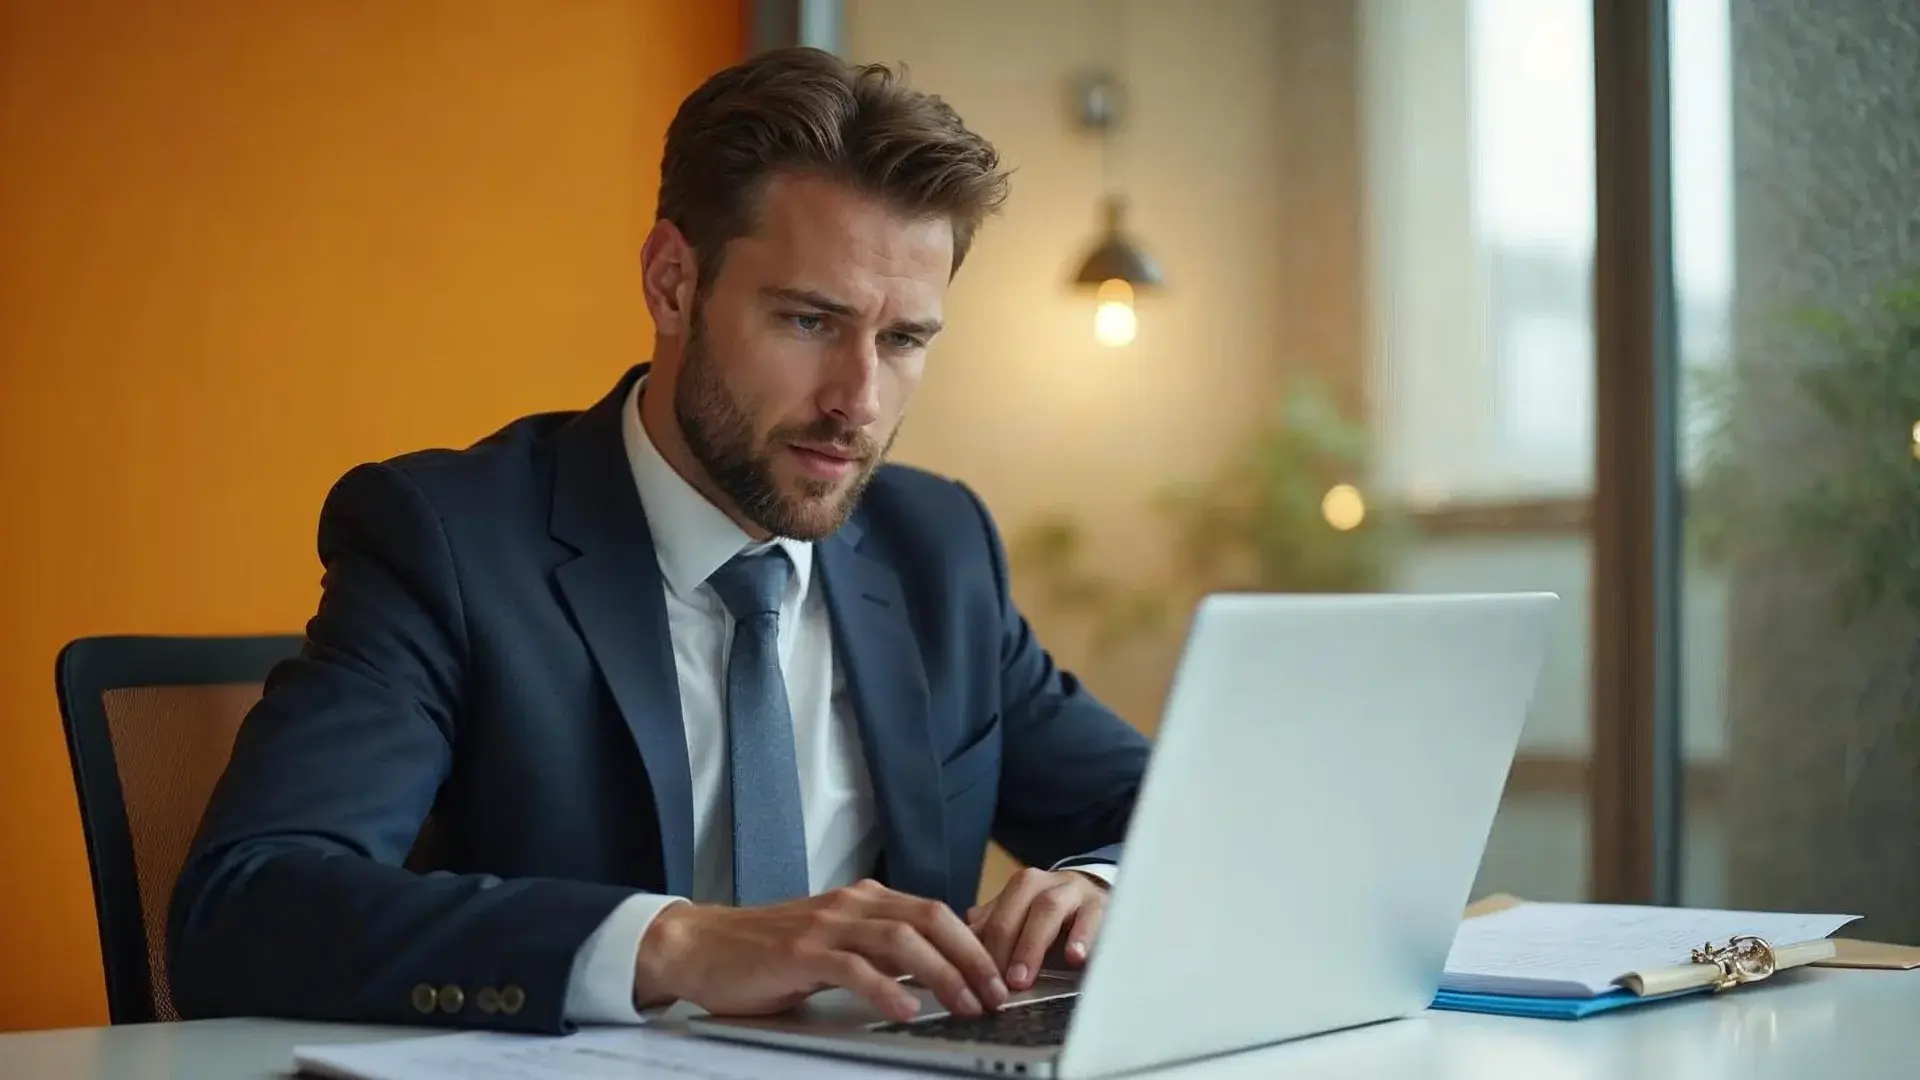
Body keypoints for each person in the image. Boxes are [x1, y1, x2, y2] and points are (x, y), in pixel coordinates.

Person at [167, 46, 1151, 1035]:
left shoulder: (938, 549)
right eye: (811, 322)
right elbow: (250, 906)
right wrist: (673, 945)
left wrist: (1106, 887)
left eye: (903, 342)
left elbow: (1170, 808)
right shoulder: (449, 544)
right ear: (674, 283)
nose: (858, 401)